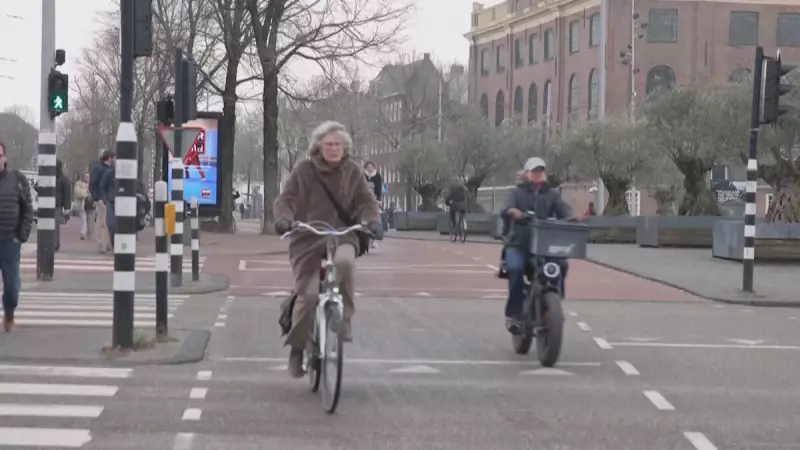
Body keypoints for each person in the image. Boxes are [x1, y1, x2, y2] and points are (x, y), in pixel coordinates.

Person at [273, 121, 383, 378]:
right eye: (329, 144)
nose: (334, 148)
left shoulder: (352, 171)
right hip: (308, 238)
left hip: (343, 234)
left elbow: (366, 201)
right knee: (309, 296)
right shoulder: (304, 170)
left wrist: (373, 221)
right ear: (318, 147)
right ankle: (297, 349)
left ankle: (344, 318)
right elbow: (286, 199)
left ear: (344, 147)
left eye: (338, 144)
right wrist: (284, 219)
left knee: (345, 262)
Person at [500, 157, 573, 334]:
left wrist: (572, 217)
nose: (537, 175)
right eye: (534, 171)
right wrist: (512, 211)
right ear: (526, 173)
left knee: (561, 265)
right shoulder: (516, 193)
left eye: (540, 171)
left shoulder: (552, 194)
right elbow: (505, 208)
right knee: (515, 269)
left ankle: (555, 305)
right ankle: (515, 315)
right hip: (518, 244)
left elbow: (564, 210)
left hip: (545, 246)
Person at [0, 140, 34, 332]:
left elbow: (28, 210)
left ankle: (9, 312)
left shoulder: (17, 180)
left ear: (4, 158)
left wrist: (21, 236)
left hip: (9, 242)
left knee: (11, 288)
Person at [90, 150, 115, 253]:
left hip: (107, 199)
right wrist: (97, 198)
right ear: (109, 158)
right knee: (102, 222)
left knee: (106, 222)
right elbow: (94, 184)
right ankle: (102, 244)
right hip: (102, 199)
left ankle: (106, 243)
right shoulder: (99, 168)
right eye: (114, 157)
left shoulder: (107, 169)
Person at [363, 161, 383, 248]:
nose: (369, 169)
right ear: (365, 168)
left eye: (371, 167)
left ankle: (374, 239)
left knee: (375, 219)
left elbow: (379, 189)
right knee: (364, 220)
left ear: (374, 168)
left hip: (374, 201)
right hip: (364, 201)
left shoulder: (377, 177)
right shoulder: (362, 176)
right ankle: (365, 238)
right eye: (368, 167)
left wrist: (379, 200)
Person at [74, 173, 92, 240]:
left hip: (91, 204)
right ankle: (83, 233)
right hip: (82, 204)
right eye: (86, 176)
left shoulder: (92, 184)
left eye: (88, 177)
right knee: (83, 219)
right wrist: (87, 191)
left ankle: (89, 234)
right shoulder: (78, 184)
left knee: (90, 220)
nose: (87, 178)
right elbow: (79, 193)